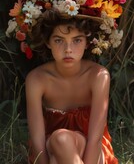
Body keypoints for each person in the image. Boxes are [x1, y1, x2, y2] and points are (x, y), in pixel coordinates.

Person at [25, 9, 118, 164]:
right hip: (50, 148)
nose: (68, 49)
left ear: (87, 42)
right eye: (59, 40)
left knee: (61, 144)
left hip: (92, 149)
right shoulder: (37, 79)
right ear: (48, 42)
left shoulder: (98, 75)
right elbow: (37, 140)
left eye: (77, 40)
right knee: (61, 141)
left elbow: (95, 138)